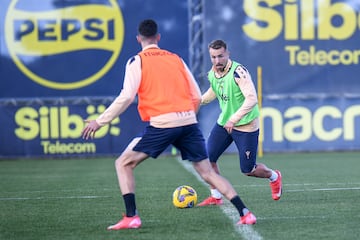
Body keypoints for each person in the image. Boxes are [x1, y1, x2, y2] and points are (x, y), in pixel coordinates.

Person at [81, 20, 257, 229]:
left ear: (139, 39)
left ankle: (131, 217)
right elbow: (195, 96)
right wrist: (187, 119)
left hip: (163, 123)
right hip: (189, 122)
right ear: (158, 38)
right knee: (208, 171)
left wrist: (99, 122)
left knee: (123, 163)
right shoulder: (176, 59)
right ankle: (245, 213)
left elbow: (127, 97)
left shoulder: (136, 61)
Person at [197, 39, 282, 207]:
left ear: (228, 54)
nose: (217, 61)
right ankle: (216, 196)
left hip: (245, 126)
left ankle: (274, 176)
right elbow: (212, 92)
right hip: (224, 124)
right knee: (207, 159)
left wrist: (233, 119)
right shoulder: (213, 72)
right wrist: (196, 101)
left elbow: (251, 100)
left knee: (248, 170)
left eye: (220, 56)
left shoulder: (239, 72)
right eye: (213, 57)